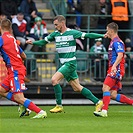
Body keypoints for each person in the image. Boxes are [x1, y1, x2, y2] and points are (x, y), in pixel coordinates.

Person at [26, 15, 104, 113]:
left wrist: (102, 36)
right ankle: (98, 102)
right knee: (77, 88)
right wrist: (33, 43)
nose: (55, 26)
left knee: (54, 80)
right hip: (65, 64)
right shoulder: (55, 34)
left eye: (56, 24)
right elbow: (43, 42)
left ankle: (59, 105)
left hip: (70, 63)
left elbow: (88, 35)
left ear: (62, 23)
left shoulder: (72, 33)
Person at [0, 18, 47, 118]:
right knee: (1, 90)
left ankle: (40, 112)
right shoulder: (13, 39)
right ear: (10, 28)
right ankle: (23, 105)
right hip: (16, 69)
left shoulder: (2, 39)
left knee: (18, 97)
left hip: (15, 70)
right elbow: (24, 56)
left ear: (0, 28)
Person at [94, 22, 133, 117]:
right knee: (113, 94)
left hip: (116, 68)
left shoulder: (117, 42)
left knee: (105, 87)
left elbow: (120, 55)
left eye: (107, 30)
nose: (106, 32)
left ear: (111, 30)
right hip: (115, 68)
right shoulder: (113, 41)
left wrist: (115, 66)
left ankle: (104, 111)